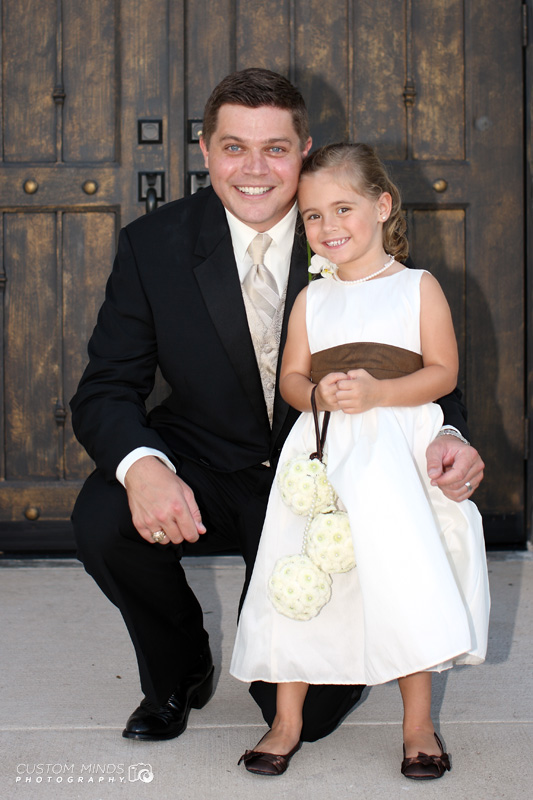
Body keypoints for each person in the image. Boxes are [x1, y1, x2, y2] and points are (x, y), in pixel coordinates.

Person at [70, 69, 484, 745]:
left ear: (304, 150)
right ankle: (179, 669)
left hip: (331, 476)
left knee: (311, 721)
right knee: (103, 516)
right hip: (204, 460)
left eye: (276, 149)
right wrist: (142, 467)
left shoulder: (346, 228)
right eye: (234, 147)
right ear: (204, 152)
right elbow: (105, 386)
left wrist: (454, 437)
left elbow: (417, 364)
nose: (255, 169)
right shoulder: (152, 245)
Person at [231, 142, 490, 778]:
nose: (328, 226)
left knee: (404, 579)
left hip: (396, 451)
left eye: (342, 208)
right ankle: (286, 721)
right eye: (313, 215)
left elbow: (443, 372)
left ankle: (418, 723)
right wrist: (316, 392)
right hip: (324, 453)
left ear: (382, 205)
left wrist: (377, 394)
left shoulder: (417, 288)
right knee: (301, 576)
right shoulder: (312, 301)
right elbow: (291, 380)